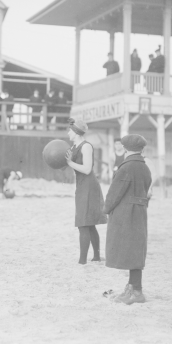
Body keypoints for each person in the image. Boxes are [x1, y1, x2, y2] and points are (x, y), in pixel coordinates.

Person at [103, 134, 152, 305]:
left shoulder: (125, 167)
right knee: (136, 251)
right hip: (140, 212)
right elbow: (147, 191)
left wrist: (106, 209)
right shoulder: (145, 167)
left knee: (128, 250)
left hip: (125, 213)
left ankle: (136, 291)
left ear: (125, 149)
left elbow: (115, 193)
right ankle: (134, 288)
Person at [64, 118, 105, 265]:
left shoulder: (86, 146)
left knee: (83, 223)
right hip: (82, 185)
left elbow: (87, 169)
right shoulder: (75, 146)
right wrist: (66, 163)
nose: (68, 132)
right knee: (89, 223)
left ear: (75, 132)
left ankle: (82, 261)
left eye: (70, 130)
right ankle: (96, 257)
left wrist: (70, 163)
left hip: (88, 185)